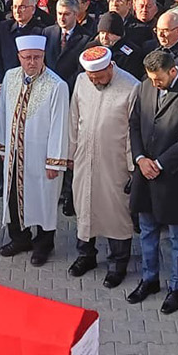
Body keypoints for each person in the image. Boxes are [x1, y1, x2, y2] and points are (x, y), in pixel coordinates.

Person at [127, 50, 178, 314]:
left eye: (158, 79)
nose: (154, 84)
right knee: (147, 229)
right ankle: (149, 279)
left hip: (174, 177)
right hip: (145, 172)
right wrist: (140, 158)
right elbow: (135, 123)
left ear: (172, 71)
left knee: (177, 237)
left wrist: (160, 163)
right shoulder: (145, 86)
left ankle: (176, 287)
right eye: (150, 79)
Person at [0, 35, 71, 266]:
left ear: (43, 56)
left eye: (37, 57)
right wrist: (1, 145)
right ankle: (19, 238)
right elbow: (4, 112)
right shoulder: (10, 77)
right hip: (14, 153)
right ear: (19, 57)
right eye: (27, 58)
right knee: (13, 198)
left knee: (43, 199)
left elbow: (60, 124)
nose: (32, 62)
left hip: (41, 156)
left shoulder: (57, 85)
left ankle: (44, 244)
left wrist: (54, 162)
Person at [68, 45, 138, 289]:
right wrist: (70, 153)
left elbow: (133, 131)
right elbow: (74, 118)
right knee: (84, 206)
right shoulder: (81, 81)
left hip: (115, 163)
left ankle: (118, 263)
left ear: (110, 67)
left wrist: (132, 168)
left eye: (99, 77)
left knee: (115, 212)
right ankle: (85, 255)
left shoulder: (131, 86)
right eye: (91, 77)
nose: (95, 81)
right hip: (84, 158)